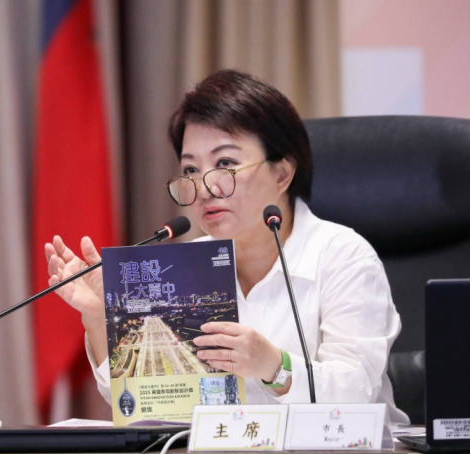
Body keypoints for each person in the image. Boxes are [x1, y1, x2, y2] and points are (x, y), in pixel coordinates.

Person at [45, 69, 410, 425]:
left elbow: (355, 393)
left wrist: (273, 365)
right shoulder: (185, 267)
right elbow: (145, 402)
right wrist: (99, 319)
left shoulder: (344, 257)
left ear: (282, 173)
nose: (205, 188)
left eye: (225, 163)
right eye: (191, 170)